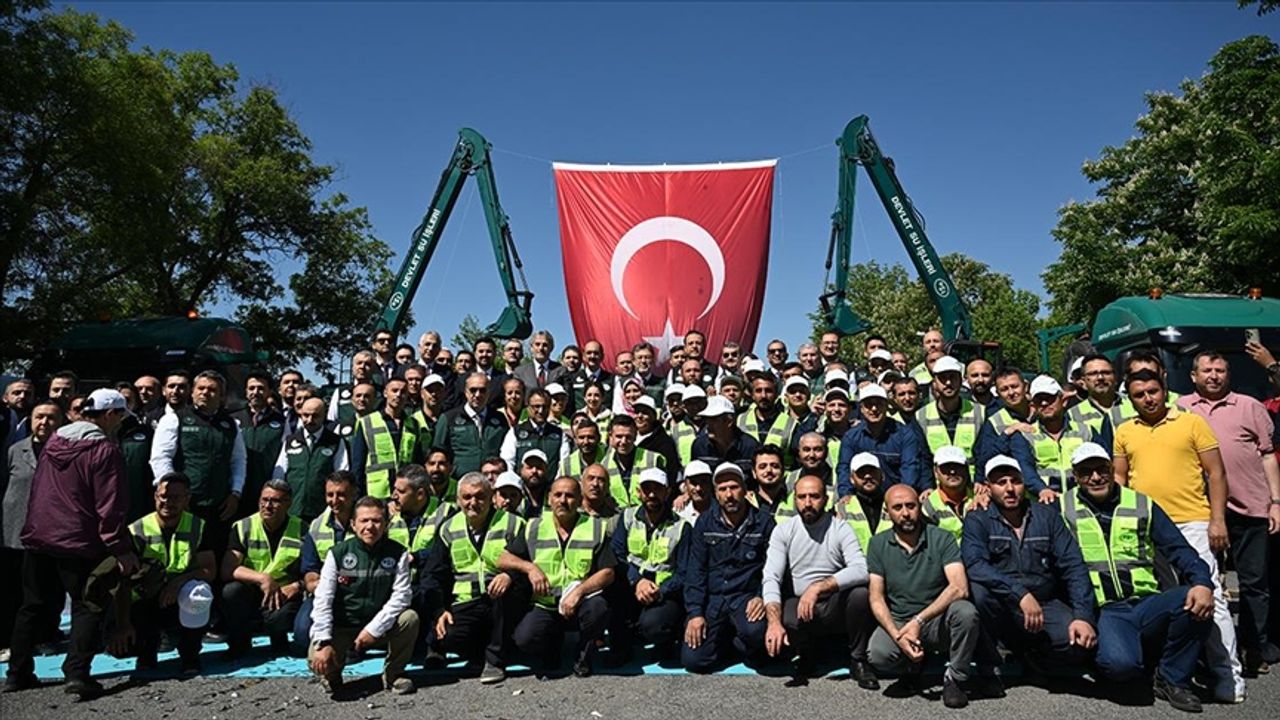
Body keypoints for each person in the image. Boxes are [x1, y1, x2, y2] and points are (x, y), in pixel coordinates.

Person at [1113, 368, 1243, 702]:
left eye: (1153, 391)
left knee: (1209, 597)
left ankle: (1228, 675)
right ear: (1130, 399)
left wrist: (1217, 520)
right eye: (1139, 395)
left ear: (1164, 389)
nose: (1148, 399)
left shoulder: (1191, 423)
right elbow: (1120, 480)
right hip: (1147, 526)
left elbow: (1216, 473)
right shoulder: (1124, 430)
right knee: (1169, 600)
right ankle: (1173, 671)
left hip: (1193, 521)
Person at [1061, 443, 1216, 712]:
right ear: (1075, 476)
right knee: (1121, 666)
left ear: (1112, 469)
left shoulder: (1141, 503)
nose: (1095, 477)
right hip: (1106, 610)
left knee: (1195, 600)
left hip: (1147, 601)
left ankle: (1172, 679)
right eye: (1086, 472)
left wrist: (1202, 582)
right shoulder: (1062, 508)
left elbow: (1179, 549)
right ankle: (1118, 658)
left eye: (1101, 469)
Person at [5, 389, 140, 698]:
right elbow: (111, 504)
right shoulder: (104, 450)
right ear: (109, 415)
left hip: (39, 535)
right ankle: (77, 673)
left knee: (31, 605)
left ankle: (17, 672)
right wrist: (120, 547)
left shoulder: (53, 443)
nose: (121, 423)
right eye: (120, 417)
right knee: (87, 603)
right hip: (78, 539)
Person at [1177, 351, 1280, 672]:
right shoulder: (1181, 408)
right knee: (1203, 581)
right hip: (1200, 509)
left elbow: (1267, 455)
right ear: (1193, 376)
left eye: (1220, 370)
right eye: (1207, 370)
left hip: (1250, 506)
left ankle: (1253, 647)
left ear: (1228, 374)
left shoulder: (1250, 406)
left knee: (1255, 583)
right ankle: (1208, 651)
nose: (1214, 376)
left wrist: (1276, 502)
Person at [962, 456, 1096, 679]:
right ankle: (993, 655)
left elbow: (1073, 565)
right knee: (980, 592)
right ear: (988, 487)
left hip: (1044, 602)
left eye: (1015, 481)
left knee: (1077, 645)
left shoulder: (1047, 516)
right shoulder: (978, 518)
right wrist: (1020, 594)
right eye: (1001, 482)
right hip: (1003, 603)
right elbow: (975, 564)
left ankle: (1032, 652)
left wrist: (1083, 616)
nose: (1009, 489)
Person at [866, 484, 988, 708]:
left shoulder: (942, 538)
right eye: (898, 507)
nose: (905, 513)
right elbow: (876, 597)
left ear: (919, 506)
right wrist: (897, 635)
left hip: (936, 620)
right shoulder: (877, 544)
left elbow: (959, 587)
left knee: (966, 613)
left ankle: (956, 678)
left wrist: (919, 621)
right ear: (887, 511)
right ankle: (912, 666)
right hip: (901, 620)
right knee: (878, 655)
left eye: (911, 506)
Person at [763, 474, 874, 685]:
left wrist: (818, 587)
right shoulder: (783, 531)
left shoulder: (841, 528)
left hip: (833, 601)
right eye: (801, 497)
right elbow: (771, 576)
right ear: (794, 500)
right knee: (788, 617)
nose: (807, 503)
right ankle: (808, 654)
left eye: (814, 496)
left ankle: (858, 659)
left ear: (826, 499)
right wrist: (773, 623)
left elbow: (861, 569)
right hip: (800, 604)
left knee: (860, 595)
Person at [500, 476, 615, 678]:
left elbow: (608, 572)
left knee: (598, 609)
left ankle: (583, 654)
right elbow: (503, 558)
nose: (563, 500)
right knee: (525, 639)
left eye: (569, 496)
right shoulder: (534, 527)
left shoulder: (595, 527)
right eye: (558, 495)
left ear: (580, 500)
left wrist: (579, 592)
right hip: (546, 604)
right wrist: (530, 568)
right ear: (549, 499)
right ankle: (551, 645)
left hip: (580, 602)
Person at [423, 472, 528, 684]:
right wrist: (440, 611)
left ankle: (495, 661)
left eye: (480, 497)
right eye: (467, 497)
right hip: (466, 601)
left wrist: (510, 575)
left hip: (502, 598)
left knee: (507, 594)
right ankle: (480, 652)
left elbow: (530, 562)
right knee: (448, 635)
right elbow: (433, 574)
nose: (473, 502)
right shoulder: (448, 528)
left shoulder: (514, 524)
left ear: (492, 498)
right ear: (458, 500)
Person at [309, 496, 419, 696]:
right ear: (353, 524)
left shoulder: (398, 553)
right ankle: (331, 675)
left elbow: (402, 597)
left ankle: (394, 675)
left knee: (409, 618)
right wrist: (323, 642)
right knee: (316, 658)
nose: (370, 526)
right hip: (343, 626)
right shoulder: (337, 553)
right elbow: (323, 599)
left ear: (386, 524)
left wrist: (373, 630)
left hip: (379, 627)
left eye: (376, 520)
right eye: (364, 520)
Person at [115, 472, 216, 675]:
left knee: (200, 593)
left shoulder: (199, 526)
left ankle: (190, 655)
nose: (168, 502)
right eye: (164, 496)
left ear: (187, 499)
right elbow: (123, 580)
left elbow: (209, 570)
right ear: (155, 496)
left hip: (180, 594)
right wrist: (122, 623)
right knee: (121, 646)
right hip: (146, 597)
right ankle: (146, 653)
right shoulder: (136, 529)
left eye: (176, 497)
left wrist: (178, 582)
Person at [681, 462, 774, 672]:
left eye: (734, 487)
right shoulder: (705, 523)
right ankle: (727, 643)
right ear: (716, 493)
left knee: (757, 638)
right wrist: (695, 613)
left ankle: (740, 641)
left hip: (746, 598)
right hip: (715, 599)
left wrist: (762, 596)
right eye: (723, 489)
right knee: (694, 661)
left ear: (745, 489)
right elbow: (696, 571)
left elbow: (773, 568)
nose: (729, 495)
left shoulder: (764, 522)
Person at [150, 370, 247, 556]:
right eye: (200, 388)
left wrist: (236, 493)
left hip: (220, 505)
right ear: (192, 392)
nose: (205, 393)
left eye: (212, 390)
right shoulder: (174, 419)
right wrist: (173, 494)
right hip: (186, 504)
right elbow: (161, 458)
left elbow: (238, 461)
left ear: (221, 396)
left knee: (215, 554)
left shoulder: (230, 424)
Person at [608, 468, 689, 662]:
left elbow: (684, 572)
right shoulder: (627, 518)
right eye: (647, 489)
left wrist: (660, 591)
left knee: (653, 626)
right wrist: (637, 581)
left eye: (658, 489)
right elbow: (616, 555)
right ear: (639, 492)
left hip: (663, 592)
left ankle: (666, 639)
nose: (652, 494)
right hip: (632, 585)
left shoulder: (682, 527)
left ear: (667, 492)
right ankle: (621, 646)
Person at [1, 401, 63, 650]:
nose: (44, 422)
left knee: (49, 587)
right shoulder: (15, 450)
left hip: (52, 532)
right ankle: (11, 639)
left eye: (50, 417)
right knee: (14, 589)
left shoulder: (67, 451)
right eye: (39, 417)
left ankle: (46, 635)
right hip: (15, 531)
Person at [220, 480, 305, 657]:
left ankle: (278, 637)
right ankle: (240, 643)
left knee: (279, 620)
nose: (267, 506)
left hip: (284, 593)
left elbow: (312, 570)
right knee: (231, 592)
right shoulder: (243, 527)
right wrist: (263, 578)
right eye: (264, 500)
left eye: (275, 501)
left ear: (288, 503)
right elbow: (228, 569)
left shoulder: (303, 529)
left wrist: (297, 586)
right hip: (252, 589)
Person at [988, 376, 1105, 501]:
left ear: (1063, 401)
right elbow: (1025, 468)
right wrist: (1042, 489)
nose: (1044, 403)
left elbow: (1104, 463)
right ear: (1033, 405)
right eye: (1039, 400)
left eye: (1050, 398)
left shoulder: (1086, 431)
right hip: (1044, 501)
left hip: (1082, 499)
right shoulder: (1024, 436)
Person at [293, 471, 358, 656]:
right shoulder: (316, 525)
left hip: (360, 594)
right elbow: (310, 574)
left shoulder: (366, 521)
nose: (334, 500)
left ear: (354, 494)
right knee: (302, 637)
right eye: (330, 494)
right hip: (325, 592)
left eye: (341, 494)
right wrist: (322, 585)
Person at [837, 384, 925, 497]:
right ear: (861, 409)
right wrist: (846, 494)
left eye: (879, 404)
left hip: (895, 497)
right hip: (862, 498)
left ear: (887, 406)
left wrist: (901, 496)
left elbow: (910, 468)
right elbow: (844, 468)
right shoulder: (851, 437)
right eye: (869, 405)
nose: (874, 409)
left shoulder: (905, 435)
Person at [272, 396, 348, 523]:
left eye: (315, 416)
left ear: (324, 416)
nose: (309, 420)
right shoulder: (290, 441)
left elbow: (342, 475)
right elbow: (279, 476)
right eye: (306, 415)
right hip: (292, 508)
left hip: (322, 510)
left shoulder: (336, 442)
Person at [916, 356, 985, 473]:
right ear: (934, 383)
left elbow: (984, 454)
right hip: (937, 481)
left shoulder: (980, 412)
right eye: (942, 378)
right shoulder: (920, 416)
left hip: (971, 480)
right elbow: (923, 459)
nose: (948, 383)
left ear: (961, 381)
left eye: (953, 377)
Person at [434, 372, 510, 477]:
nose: (478, 395)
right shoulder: (449, 418)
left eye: (482, 390)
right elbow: (438, 451)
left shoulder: (499, 419)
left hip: (491, 479)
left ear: (489, 392)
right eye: (473, 390)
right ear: (466, 392)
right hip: (459, 479)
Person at [234, 372, 287, 518]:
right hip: (237, 491)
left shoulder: (282, 422)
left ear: (269, 392)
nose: (255, 392)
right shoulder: (232, 418)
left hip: (266, 491)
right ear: (246, 391)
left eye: (261, 388)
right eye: (251, 388)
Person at [351, 377, 413, 499]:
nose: (398, 395)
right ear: (385, 393)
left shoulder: (413, 424)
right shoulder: (367, 422)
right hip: (376, 493)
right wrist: (358, 496)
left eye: (403, 392)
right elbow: (358, 464)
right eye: (394, 390)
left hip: (405, 492)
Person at [500, 387, 565, 478]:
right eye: (536, 406)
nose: (541, 411)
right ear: (528, 407)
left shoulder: (559, 434)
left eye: (545, 407)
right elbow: (508, 462)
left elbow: (563, 465)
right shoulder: (515, 432)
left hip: (551, 485)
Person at [920, 446, 979, 544]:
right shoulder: (928, 506)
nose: (952, 472)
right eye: (946, 467)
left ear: (966, 469)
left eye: (957, 466)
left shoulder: (979, 497)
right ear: (936, 472)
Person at [690, 396, 759, 475]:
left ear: (729, 421)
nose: (708, 424)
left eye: (714, 419)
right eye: (707, 419)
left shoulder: (750, 447)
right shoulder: (699, 446)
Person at [327, 351, 379, 434]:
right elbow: (331, 420)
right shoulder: (340, 392)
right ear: (353, 367)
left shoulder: (380, 392)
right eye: (359, 363)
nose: (362, 367)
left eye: (367, 364)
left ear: (374, 369)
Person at [403, 373, 446, 463]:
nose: (434, 394)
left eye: (438, 390)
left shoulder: (449, 419)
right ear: (422, 394)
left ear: (444, 393)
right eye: (430, 390)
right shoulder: (412, 420)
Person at [569, 340, 615, 410]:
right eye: (589, 353)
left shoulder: (612, 379)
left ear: (602, 356)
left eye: (596, 353)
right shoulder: (573, 378)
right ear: (584, 356)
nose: (592, 356)